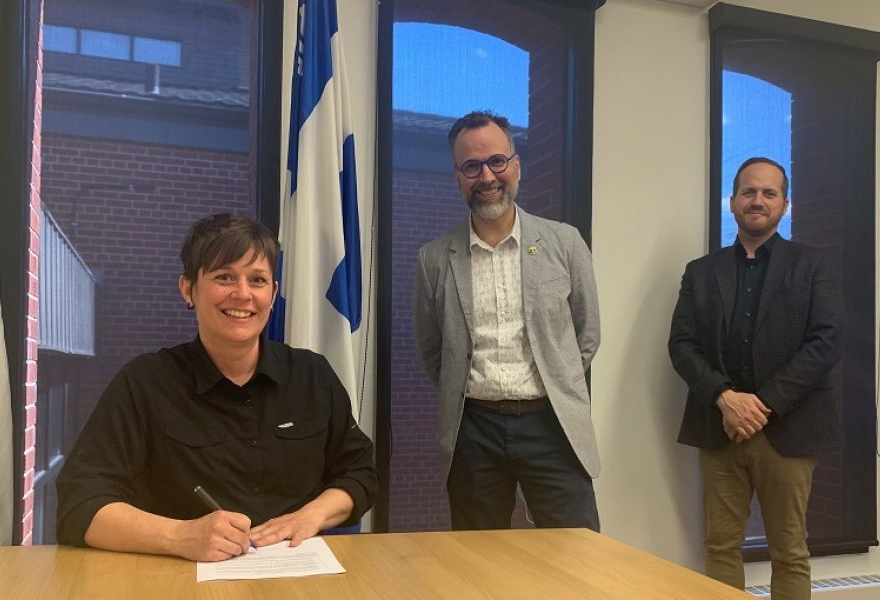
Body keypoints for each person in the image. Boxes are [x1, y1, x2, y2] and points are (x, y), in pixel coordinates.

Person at [56, 213, 376, 562]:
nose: (242, 294)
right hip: (178, 577)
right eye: (224, 277)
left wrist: (311, 515)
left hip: (298, 573)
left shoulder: (313, 375)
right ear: (188, 289)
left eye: (257, 280)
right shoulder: (144, 382)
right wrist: (179, 536)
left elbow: (360, 472)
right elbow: (79, 505)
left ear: (273, 294)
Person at [413, 110, 601, 531]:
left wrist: (558, 377)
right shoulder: (433, 259)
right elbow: (432, 350)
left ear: (516, 165)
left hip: (553, 423)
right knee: (478, 557)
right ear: (457, 177)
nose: (487, 176)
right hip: (473, 430)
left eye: (497, 161)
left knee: (578, 553)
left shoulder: (565, 243)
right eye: (471, 166)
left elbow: (586, 334)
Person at [668, 157, 843, 599]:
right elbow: (682, 345)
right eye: (748, 192)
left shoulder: (813, 265)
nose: (758, 200)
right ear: (732, 202)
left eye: (769, 193)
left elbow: (825, 343)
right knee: (720, 547)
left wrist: (759, 406)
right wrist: (726, 398)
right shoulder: (701, 272)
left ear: (785, 204)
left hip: (788, 427)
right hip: (720, 427)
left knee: (790, 551)